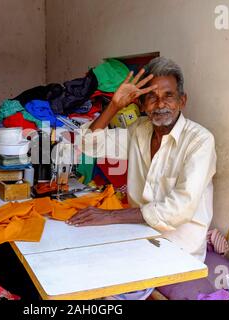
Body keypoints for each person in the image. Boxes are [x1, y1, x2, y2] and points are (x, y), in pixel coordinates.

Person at [68, 57, 217, 300]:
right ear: (142, 104)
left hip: (177, 246)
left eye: (168, 96)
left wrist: (111, 216)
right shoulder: (140, 130)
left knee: (104, 288)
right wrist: (114, 106)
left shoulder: (200, 141)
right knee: (79, 261)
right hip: (137, 233)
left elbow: (178, 209)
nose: (160, 104)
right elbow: (88, 144)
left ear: (182, 101)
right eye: (152, 97)